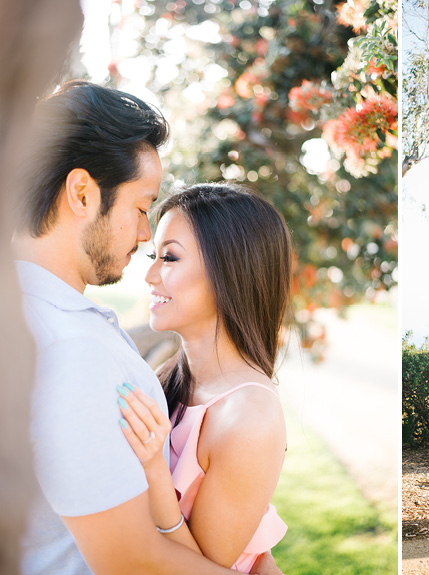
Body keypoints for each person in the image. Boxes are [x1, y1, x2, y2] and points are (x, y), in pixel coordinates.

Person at [13, 80, 281, 575]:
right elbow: (130, 559)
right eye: (141, 209)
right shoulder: (69, 346)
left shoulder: (46, 321)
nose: (142, 239)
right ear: (81, 193)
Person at [116, 183, 292, 571]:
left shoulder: (249, 415)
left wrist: (155, 471)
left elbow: (202, 569)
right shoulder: (168, 379)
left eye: (170, 258)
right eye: (154, 256)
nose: (149, 275)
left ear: (229, 270)